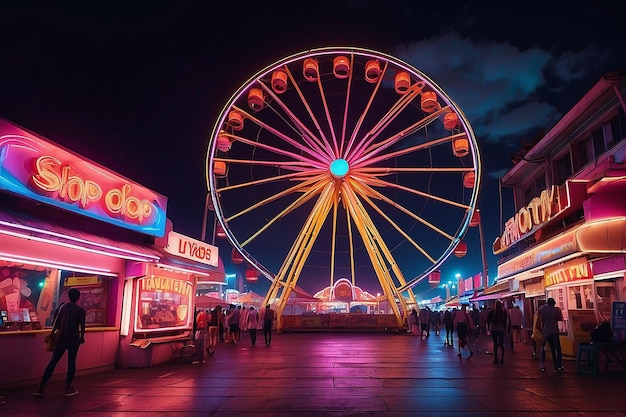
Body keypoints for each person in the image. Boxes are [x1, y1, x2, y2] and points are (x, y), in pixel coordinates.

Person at [33, 288, 86, 397]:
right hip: (73, 339)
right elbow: (82, 326)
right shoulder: (80, 311)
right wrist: (82, 338)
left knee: (53, 362)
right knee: (71, 362)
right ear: (78, 298)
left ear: (68, 296)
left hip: (61, 338)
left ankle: (41, 387)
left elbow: (55, 323)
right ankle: (68, 388)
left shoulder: (62, 307)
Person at [536, 298, 564, 372]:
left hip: (545, 331)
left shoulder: (542, 309)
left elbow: (539, 320)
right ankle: (558, 365)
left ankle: (542, 364)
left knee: (543, 348)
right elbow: (560, 319)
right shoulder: (557, 310)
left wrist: (538, 329)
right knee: (556, 348)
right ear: (554, 303)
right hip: (554, 331)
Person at [487, 300, 508, 364]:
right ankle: (502, 358)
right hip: (501, 328)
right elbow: (505, 322)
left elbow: (488, 320)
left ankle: (495, 358)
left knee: (495, 344)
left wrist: (488, 329)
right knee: (501, 343)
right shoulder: (503, 312)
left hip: (494, 328)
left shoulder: (492, 312)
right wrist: (505, 330)